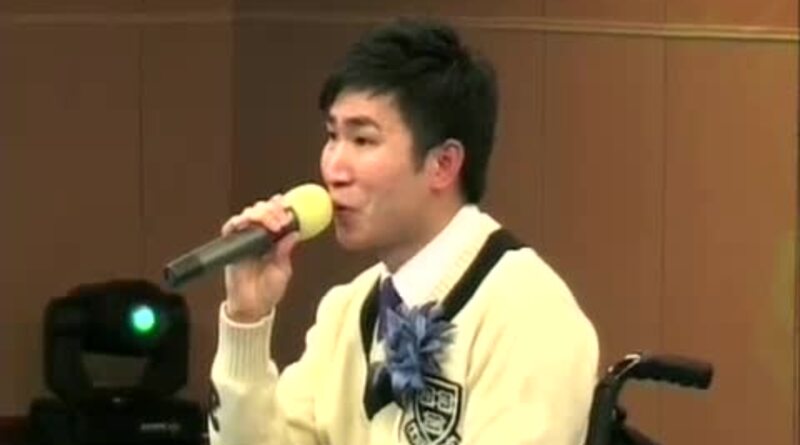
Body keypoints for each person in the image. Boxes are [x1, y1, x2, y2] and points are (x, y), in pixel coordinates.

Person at [208, 18, 598, 445]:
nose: (334, 168)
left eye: (363, 140)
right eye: (332, 136)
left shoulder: (529, 313)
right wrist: (247, 319)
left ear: (443, 164)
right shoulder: (346, 309)